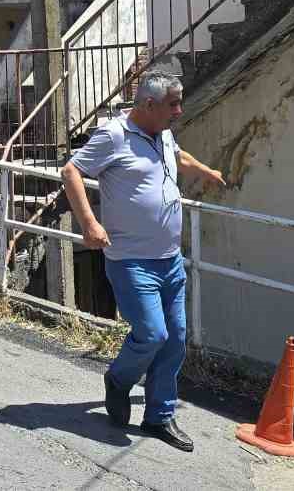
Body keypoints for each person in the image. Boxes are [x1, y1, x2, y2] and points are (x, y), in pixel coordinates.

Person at [60, 72, 225, 453]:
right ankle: (118, 380)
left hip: (169, 259)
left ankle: (158, 416)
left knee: (176, 339)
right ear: (149, 105)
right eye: (173, 104)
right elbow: (71, 170)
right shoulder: (114, 135)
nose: (179, 111)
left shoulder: (162, 132)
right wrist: (89, 223)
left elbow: (177, 155)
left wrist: (203, 170)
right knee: (153, 334)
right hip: (132, 260)